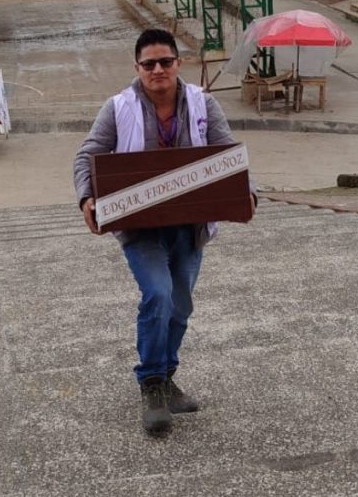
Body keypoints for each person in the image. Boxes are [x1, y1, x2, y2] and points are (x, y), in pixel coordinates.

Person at [73, 28, 256, 437]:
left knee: (181, 304)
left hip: (191, 226)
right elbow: (87, 155)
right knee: (158, 294)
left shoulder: (203, 104)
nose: (158, 69)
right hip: (140, 229)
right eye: (149, 64)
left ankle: (167, 376)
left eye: (165, 62)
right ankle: (152, 384)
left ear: (178, 63)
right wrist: (87, 197)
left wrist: (248, 192)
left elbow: (227, 153)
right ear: (137, 67)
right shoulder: (117, 108)